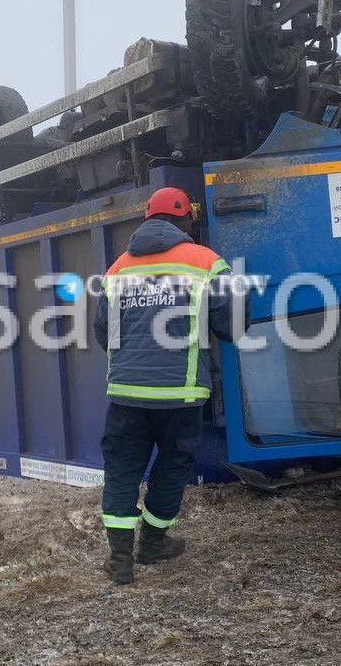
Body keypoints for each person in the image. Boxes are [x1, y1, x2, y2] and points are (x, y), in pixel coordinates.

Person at [93, 186, 241, 585]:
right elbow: (232, 326)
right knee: (171, 469)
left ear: (147, 220)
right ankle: (154, 543)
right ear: (184, 220)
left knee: (122, 472)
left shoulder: (118, 268)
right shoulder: (206, 262)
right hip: (180, 394)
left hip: (126, 394)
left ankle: (120, 560)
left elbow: (101, 331)